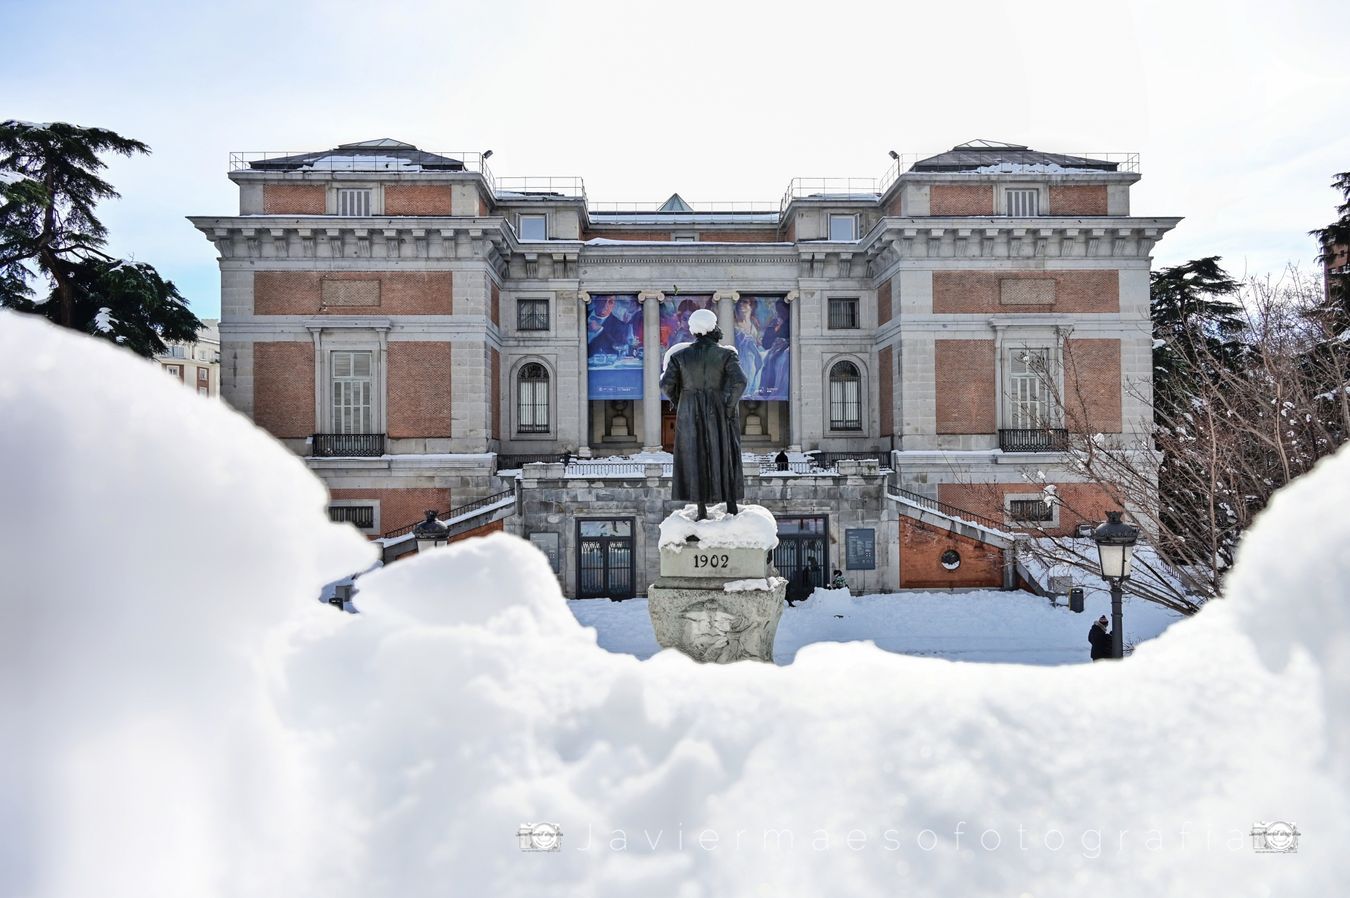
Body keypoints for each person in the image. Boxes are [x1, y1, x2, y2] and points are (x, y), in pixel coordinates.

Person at [660, 308, 747, 520]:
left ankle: (701, 510)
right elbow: (740, 381)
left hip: (690, 410)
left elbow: (666, 384)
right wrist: (728, 406)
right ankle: (731, 505)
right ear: (710, 328)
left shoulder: (679, 356)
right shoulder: (726, 355)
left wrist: (681, 402)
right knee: (725, 453)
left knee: (694, 454)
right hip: (719, 409)